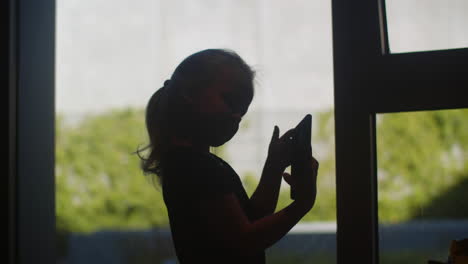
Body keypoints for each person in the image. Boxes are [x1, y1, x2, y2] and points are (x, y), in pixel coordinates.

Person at [137, 49, 319, 263]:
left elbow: (251, 219)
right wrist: (302, 204)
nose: (236, 115)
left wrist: (274, 167)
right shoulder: (194, 166)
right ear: (189, 92)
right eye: (230, 101)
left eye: (242, 111)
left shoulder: (195, 163)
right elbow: (244, 241)